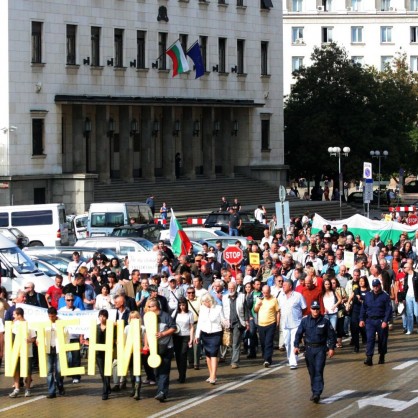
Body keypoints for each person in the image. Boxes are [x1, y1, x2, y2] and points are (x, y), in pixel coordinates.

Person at [294, 301, 336, 404]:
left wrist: (331, 348)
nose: (315, 311)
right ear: (310, 309)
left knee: (318, 370)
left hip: (320, 349)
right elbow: (298, 334)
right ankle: (314, 392)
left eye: (317, 309)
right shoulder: (305, 321)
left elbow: (331, 335)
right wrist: (296, 346)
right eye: (313, 308)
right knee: (312, 371)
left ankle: (317, 392)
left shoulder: (325, 321)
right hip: (309, 349)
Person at [144, 298, 176, 402]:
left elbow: (174, 328)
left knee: (164, 371)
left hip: (166, 347)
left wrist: (162, 334)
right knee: (156, 371)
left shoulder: (165, 316)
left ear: (155, 307)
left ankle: (163, 392)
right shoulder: (148, 317)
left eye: (150, 307)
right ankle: (160, 391)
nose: (148, 309)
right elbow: (146, 332)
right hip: (154, 349)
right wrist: (146, 344)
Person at [359, 279, 393, 366]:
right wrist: (361, 319)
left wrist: (386, 321)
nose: (375, 287)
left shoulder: (385, 296)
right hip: (370, 320)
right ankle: (369, 357)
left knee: (382, 339)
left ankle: (382, 355)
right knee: (370, 339)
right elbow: (363, 308)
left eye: (377, 285)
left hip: (381, 320)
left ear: (380, 285)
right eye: (374, 286)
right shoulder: (368, 295)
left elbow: (388, 310)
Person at [195, 293, 225, 384]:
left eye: (205, 301)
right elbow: (200, 323)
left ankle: (213, 376)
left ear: (210, 301)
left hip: (216, 333)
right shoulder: (203, 309)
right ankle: (211, 374)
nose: (204, 303)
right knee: (207, 354)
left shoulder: (218, 308)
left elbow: (223, 320)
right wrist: (197, 335)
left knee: (213, 354)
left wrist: (226, 323)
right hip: (205, 334)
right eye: (203, 301)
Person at [277, 279, 306, 370]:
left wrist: (300, 318)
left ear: (290, 286)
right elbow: (278, 310)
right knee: (286, 343)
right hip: (285, 324)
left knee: (294, 342)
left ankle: (293, 362)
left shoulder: (298, 296)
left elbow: (304, 308)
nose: (283, 286)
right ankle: (291, 358)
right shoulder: (280, 296)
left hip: (296, 324)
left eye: (285, 285)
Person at [9, 307, 37, 398]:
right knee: (15, 370)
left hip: (27, 352)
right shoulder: (14, 324)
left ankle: (27, 389)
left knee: (28, 371)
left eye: (14, 314)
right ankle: (16, 388)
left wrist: (30, 340)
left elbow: (34, 338)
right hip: (16, 352)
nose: (13, 316)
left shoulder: (29, 325)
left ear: (19, 315)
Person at [222, 282, 249, 369]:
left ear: (236, 288)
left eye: (232, 288)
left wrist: (246, 321)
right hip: (228, 323)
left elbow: (246, 310)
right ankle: (234, 358)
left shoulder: (242, 296)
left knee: (236, 343)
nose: (231, 290)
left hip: (238, 323)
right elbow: (222, 310)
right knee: (229, 343)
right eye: (229, 288)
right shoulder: (225, 297)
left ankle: (234, 362)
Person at [254, 285, 280, 367]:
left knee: (268, 342)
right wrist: (258, 305)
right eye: (264, 292)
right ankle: (266, 357)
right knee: (263, 343)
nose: (265, 294)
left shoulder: (274, 299)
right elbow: (255, 310)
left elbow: (278, 311)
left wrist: (278, 322)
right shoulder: (259, 299)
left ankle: (267, 359)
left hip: (271, 323)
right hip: (261, 324)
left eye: (267, 293)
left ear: (270, 292)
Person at [58, 293, 82, 383]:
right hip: (64, 337)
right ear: (65, 301)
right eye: (68, 300)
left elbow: (82, 323)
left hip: (74, 336)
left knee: (76, 357)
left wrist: (81, 336)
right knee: (65, 358)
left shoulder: (78, 310)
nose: (70, 302)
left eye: (72, 300)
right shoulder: (61, 311)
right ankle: (63, 375)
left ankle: (76, 376)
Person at [43, 307, 65, 398]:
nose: (51, 318)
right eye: (49, 316)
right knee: (49, 371)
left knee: (59, 370)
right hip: (48, 348)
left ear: (56, 315)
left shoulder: (62, 322)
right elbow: (40, 333)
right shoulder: (45, 322)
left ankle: (60, 385)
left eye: (52, 316)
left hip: (58, 348)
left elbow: (66, 333)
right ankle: (51, 391)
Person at [172, 297, 194, 383]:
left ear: (186, 305)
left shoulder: (190, 313)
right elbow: (171, 322)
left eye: (183, 305)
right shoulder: (175, 313)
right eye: (180, 305)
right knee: (177, 356)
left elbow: (191, 327)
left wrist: (191, 339)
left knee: (183, 355)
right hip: (177, 336)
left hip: (186, 336)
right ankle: (180, 373)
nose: (182, 307)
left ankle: (183, 375)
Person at [96, 309, 112, 400]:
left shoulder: (110, 327)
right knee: (102, 372)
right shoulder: (96, 327)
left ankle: (105, 392)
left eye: (104, 316)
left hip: (108, 352)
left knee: (107, 372)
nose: (102, 318)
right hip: (98, 352)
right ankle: (107, 386)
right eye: (100, 316)